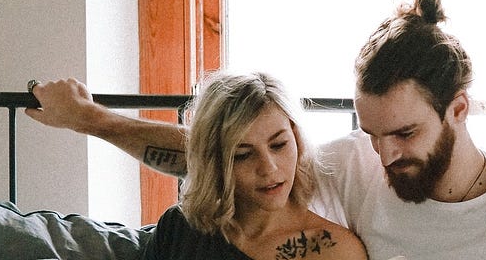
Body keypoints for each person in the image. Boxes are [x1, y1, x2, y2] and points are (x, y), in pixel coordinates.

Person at [28, 0, 486, 260]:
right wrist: (89, 120)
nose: (384, 155)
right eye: (372, 133)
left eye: (403, 135)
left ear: (458, 110)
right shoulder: (357, 164)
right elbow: (217, 151)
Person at [46, 71, 367, 260]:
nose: (269, 168)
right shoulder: (182, 227)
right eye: (243, 154)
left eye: (279, 144)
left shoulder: (333, 250)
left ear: (296, 136)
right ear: (215, 160)